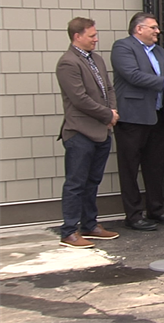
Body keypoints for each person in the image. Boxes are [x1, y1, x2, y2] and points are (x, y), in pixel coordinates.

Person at [111, 12, 164, 231]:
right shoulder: (123, 48)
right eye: (153, 27)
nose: (158, 31)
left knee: (156, 165)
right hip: (132, 118)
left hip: (157, 117)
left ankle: (157, 209)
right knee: (130, 167)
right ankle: (133, 214)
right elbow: (134, 76)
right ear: (139, 29)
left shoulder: (159, 52)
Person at [56, 17, 120, 248]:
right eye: (91, 35)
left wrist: (112, 111)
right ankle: (69, 231)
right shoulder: (68, 63)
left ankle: (90, 225)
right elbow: (79, 99)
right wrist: (107, 115)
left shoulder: (97, 60)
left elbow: (109, 88)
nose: (96, 39)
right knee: (76, 183)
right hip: (80, 132)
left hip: (101, 132)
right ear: (77, 36)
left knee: (93, 181)